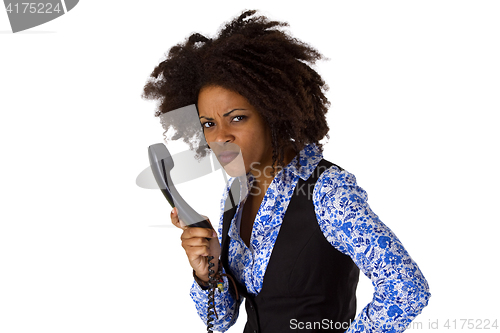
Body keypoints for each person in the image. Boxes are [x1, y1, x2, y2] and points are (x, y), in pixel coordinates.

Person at [142, 10, 431, 333]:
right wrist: (207, 272)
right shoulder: (236, 194)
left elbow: (406, 290)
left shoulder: (327, 192)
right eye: (209, 124)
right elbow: (222, 320)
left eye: (237, 118)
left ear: (272, 112)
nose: (220, 136)